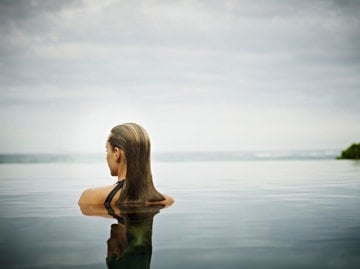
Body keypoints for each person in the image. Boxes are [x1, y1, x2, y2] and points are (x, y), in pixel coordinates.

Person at [78, 122, 174, 207]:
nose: (106, 155)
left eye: (107, 150)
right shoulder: (167, 202)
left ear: (116, 153)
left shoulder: (89, 197)